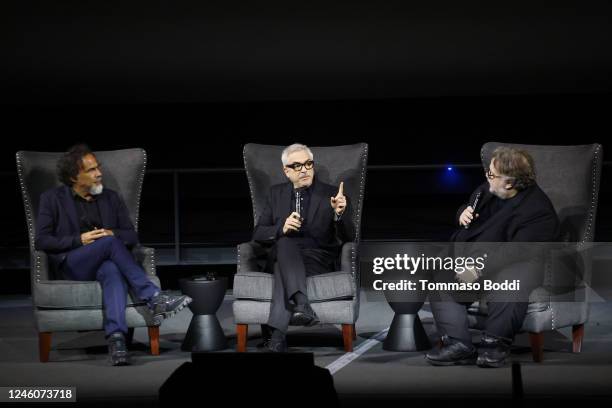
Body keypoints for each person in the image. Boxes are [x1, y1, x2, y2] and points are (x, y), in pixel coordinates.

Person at [35, 144, 192, 366]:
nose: (99, 173)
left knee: (112, 270)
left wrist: (112, 233)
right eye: (91, 170)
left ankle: (117, 340)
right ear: (73, 177)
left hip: (105, 263)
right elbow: (41, 240)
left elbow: (131, 236)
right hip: (73, 263)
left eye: (97, 167)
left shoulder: (110, 198)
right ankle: (153, 297)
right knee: (109, 244)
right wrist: (79, 240)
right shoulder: (52, 199)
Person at [425, 146, 559, 368]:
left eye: (492, 174)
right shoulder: (490, 190)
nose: (487, 176)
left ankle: (495, 343)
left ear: (510, 183)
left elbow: (515, 252)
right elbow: (471, 205)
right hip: (480, 256)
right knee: (442, 277)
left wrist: (476, 269)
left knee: (509, 282)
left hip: (516, 263)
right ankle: (459, 344)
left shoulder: (538, 212)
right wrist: (462, 213)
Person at [253, 143, 355, 352]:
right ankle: (301, 304)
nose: (304, 170)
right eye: (297, 166)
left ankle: (277, 336)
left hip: (316, 259)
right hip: (282, 253)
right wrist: (281, 228)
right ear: (286, 171)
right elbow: (258, 233)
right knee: (284, 243)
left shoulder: (333, 194)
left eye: (308, 164)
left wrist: (339, 214)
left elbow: (349, 238)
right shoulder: (276, 194)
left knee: (283, 267)